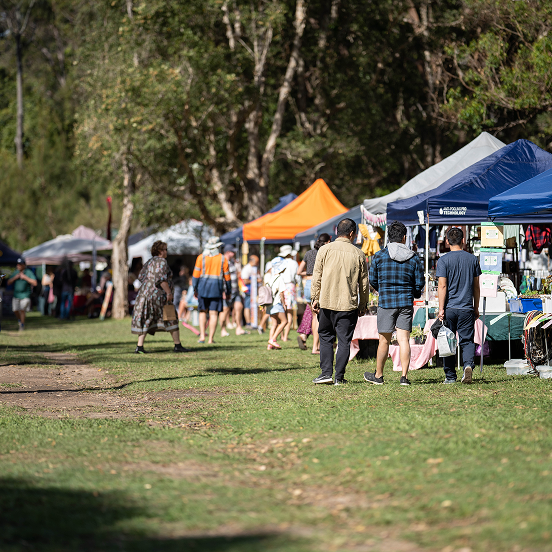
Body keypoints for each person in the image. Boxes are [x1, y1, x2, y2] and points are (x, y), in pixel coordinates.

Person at [365, 220, 425, 386]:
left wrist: (383, 290)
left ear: (388, 238)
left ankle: (378, 376)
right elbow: (419, 282)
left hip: (386, 302)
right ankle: (404, 377)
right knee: (404, 339)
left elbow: (373, 280)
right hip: (405, 302)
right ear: (404, 238)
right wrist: (413, 292)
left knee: (383, 340)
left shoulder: (379, 256)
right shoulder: (413, 257)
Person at [311, 219, 369, 385]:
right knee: (344, 341)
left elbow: (317, 277)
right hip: (347, 305)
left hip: (326, 302)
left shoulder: (324, 250)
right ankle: (339, 377)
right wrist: (363, 304)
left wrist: (315, 298)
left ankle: (325, 374)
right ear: (352, 233)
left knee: (326, 338)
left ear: (337, 231)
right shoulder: (358, 254)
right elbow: (363, 283)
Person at [437, 227, 481, 384]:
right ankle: (468, 366)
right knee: (467, 340)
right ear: (463, 240)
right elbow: (476, 287)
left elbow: (442, 286)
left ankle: (450, 377)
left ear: (447, 241)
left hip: (449, 308)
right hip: (467, 307)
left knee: (447, 340)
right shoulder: (472, 259)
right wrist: (476, 307)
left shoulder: (443, 260)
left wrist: (441, 308)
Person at [131, 240, 189, 354]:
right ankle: (177, 345)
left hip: (144, 295)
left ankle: (139, 347)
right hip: (158, 295)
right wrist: (168, 292)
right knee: (171, 316)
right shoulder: (162, 262)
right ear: (160, 251)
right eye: (165, 249)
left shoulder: (149, 262)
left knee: (146, 319)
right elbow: (160, 279)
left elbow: (141, 277)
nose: (167, 252)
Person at [192, 236, 231, 344]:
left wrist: (194, 289)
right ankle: (210, 339)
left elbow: (195, 275)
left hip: (203, 288)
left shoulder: (201, 257)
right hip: (216, 289)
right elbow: (227, 278)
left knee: (202, 312)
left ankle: (202, 337)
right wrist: (228, 291)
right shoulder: (223, 258)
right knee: (213, 314)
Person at [297, 233, 331, 354]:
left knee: (314, 316)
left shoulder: (308, 253)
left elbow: (298, 271)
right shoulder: (326, 253)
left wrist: (308, 273)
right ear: (327, 242)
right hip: (318, 285)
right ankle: (315, 347)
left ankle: (314, 345)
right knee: (320, 317)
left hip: (307, 285)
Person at [219, 245, 246, 337]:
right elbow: (221, 278)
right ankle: (223, 329)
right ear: (227, 252)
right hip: (226, 291)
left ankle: (239, 328)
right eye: (232, 252)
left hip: (235, 290)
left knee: (239, 307)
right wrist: (222, 291)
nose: (234, 253)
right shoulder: (222, 262)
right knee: (225, 310)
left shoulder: (233, 262)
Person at [7, 258, 37, 331]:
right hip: (16, 295)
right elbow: (8, 282)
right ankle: (20, 320)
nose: (18, 266)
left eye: (20, 264)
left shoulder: (28, 272)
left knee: (22, 309)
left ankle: (22, 325)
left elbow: (35, 283)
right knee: (15, 310)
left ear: (24, 265)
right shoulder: (15, 272)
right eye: (17, 264)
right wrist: (15, 278)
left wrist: (25, 278)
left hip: (25, 295)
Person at [265, 261, 288, 350]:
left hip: (270, 303)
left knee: (274, 323)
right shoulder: (280, 278)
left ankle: (270, 345)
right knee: (284, 321)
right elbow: (281, 292)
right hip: (277, 303)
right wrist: (284, 304)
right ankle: (273, 340)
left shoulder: (271, 278)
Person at [240, 255, 260, 327]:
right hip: (248, 291)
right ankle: (248, 323)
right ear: (252, 261)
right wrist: (256, 280)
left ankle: (254, 322)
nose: (257, 264)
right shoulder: (246, 269)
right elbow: (245, 281)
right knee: (247, 307)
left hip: (254, 291)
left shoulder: (254, 268)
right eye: (257, 262)